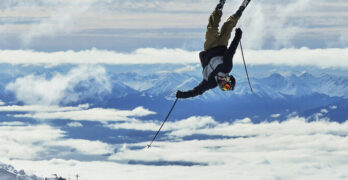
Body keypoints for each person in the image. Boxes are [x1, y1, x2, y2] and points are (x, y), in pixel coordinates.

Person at [176, 0, 251, 99]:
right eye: (226, 86)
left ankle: (218, 9)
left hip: (210, 47)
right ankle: (239, 11)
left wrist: (183, 95)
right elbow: (231, 51)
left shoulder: (211, 83)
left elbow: (198, 90)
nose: (223, 87)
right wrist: (238, 36)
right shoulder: (226, 67)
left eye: (224, 88)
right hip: (222, 45)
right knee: (228, 27)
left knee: (212, 28)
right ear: (228, 79)